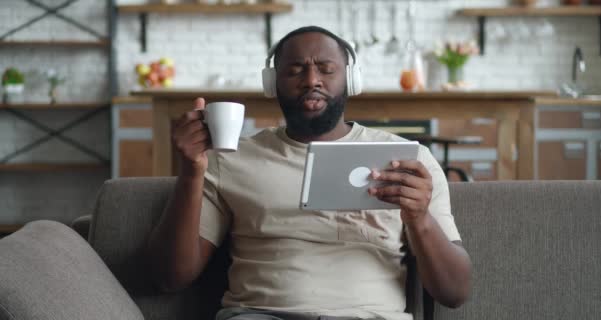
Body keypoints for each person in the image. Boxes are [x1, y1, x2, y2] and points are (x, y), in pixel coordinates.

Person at [145, 26, 471, 320]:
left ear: (351, 80)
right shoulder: (228, 159)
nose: (312, 80)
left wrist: (420, 218)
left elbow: (454, 293)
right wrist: (190, 172)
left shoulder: (409, 161)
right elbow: (170, 277)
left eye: (327, 69)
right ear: (271, 83)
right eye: (295, 70)